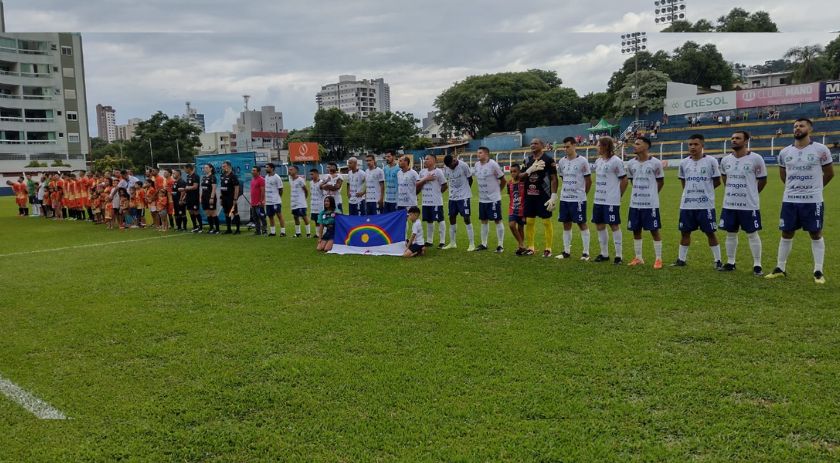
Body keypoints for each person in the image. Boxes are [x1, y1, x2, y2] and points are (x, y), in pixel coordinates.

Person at [767, 118, 835, 283]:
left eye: (801, 126)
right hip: (790, 200)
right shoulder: (785, 152)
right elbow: (784, 175)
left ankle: (818, 271)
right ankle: (780, 268)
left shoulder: (821, 150)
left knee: (815, 233)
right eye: (795, 126)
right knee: (786, 232)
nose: (797, 128)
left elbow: (829, 173)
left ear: (809, 129)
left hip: (813, 200)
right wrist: (794, 189)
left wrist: (816, 189)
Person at [719, 131, 767, 275]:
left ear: (746, 141)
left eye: (738, 138)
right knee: (730, 233)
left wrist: (752, 193)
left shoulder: (756, 158)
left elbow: (763, 180)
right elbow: (724, 178)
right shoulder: (725, 160)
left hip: (748, 205)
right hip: (730, 204)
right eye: (732, 138)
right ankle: (730, 262)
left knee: (752, 234)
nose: (734, 140)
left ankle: (757, 264)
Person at [672, 134, 722, 269]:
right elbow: (684, 182)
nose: (692, 147)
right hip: (687, 204)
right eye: (690, 144)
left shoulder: (711, 161)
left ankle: (718, 261)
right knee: (685, 232)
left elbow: (717, 181)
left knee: (710, 232)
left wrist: (706, 191)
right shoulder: (684, 163)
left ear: (702, 146)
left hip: (705, 205)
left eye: (696, 144)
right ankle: (681, 260)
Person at [626, 137, 665, 269]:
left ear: (646, 146)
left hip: (650, 204)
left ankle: (658, 259)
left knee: (654, 230)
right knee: (636, 230)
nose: (634, 146)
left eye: (638, 144)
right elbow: (632, 180)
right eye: (634, 144)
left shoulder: (655, 163)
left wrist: (652, 194)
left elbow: (660, 182)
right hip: (635, 203)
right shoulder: (631, 164)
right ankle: (638, 257)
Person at [519, 138, 558, 257]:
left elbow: (554, 178)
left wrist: (554, 195)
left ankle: (548, 249)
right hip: (529, 195)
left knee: (546, 221)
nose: (533, 145)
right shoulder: (527, 160)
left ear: (542, 145)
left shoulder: (548, 159)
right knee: (529, 222)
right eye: (531, 143)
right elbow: (520, 177)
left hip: (543, 195)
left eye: (536, 143)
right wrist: (529, 170)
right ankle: (531, 247)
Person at [591, 137, 627, 264]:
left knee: (614, 225)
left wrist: (618, 195)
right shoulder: (598, 161)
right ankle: (604, 254)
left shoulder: (616, 161)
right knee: (599, 225)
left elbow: (624, 180)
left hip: (610, 200)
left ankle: (618, 256)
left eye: (598, 145)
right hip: (598, 200)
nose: (597, 147)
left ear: (605, 146)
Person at [556, 137, 592, 260]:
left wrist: (583, 194)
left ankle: (586, 252)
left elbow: (588, 180)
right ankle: (566, 251)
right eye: (564, 147)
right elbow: (562, 178)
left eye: (568, 146)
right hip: (564, 198)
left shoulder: (582, 161)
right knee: (566, 224)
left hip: (578, 199)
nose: (566, 149)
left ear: (574, 145)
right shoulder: (561, 162)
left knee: (582, 223)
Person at [474, 146, 506, 252]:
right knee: (483, 221)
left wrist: (498, 191)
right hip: (482, 199)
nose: (478, 154)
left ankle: (500, 245)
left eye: (480, 153)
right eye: (477, 153)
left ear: (486, 154)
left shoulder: (493, 164)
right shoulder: (476, 165)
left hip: (493, 199)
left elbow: (503, 180)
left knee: (497, 220)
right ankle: (484, 244)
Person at [442, 154, 475, 251]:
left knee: (466, 218)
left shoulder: (463, 165)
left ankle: (472, 244)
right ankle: (452, 243)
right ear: (449, 166)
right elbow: (447, 180)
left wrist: (465, 191)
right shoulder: (446, 169)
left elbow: (470, 179)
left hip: (464, 196)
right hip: (452, 197)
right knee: (451, 218)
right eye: (453, 161)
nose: (455, 160)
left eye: (454, 159)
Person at [417, 154, 448, 248]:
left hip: (436, 202)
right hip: (426, 201)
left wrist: (438, 193)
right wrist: (425, 180)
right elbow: (418, 185)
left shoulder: (438, 172)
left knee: (440, 220)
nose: (425, 161)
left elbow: (445, 185)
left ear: (434, 161)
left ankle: (442, 241)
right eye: (425, 159)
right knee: (429, 221)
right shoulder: (422, 172)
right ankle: (429, 241)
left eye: (427, 159)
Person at [507, 164, 527, 255]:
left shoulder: (523, 182)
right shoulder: (509, 183)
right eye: (511, 172)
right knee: (511, 225)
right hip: (512, 209)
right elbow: (510, 196)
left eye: (515, 171)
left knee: (520, 228)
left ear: (519, 172)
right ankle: (521, 243)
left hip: (522, 210)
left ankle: (521, 248)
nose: (512, 173)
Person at [264, 163, 286, 237]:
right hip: (268, 201)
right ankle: (273, 232)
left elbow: (281, 189)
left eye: (267, 167)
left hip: (275, 201)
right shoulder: (266, 177)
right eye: (266, 167)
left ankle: (283, 232)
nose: (266, 168)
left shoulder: (277, 177)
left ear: (272, 168)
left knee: (279, 215)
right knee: (270, 216)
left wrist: (278, 197)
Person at [288, 165, 310, 237]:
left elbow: (306, 190)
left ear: (296, 171)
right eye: (289, 170)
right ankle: (298, 233)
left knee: (304, 216)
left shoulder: (300, 179)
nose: (289, 171)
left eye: (291, 170)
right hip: (294, 202)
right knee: (295, 217)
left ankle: (308, 233)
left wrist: (303, 199)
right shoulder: (290, 179)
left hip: (301, 203)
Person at [219, 160, 241, 234]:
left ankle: (238, 230)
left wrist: (235, 198)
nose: (223, 168)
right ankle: (229, 229)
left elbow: (237, 187)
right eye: (222, 166)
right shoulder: (222, 175)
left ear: (228, 166)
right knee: (226, 213)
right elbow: (222, 187)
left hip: (231, 197)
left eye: (224, 166)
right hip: (224, 198)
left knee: (235, 212)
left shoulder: (233, 176)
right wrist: (221, 198)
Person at [200, 163, 220, 235]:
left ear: (211, 168)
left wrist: (211, 197)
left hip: (210, 197)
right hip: (204, 198)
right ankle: (211, 228)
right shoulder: (204, 177)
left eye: (206, 167)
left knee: (213, 213)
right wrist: (201, 197)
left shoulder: (213, 177)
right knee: (208, 213)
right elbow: (202, 189)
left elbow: (214, 188)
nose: (205, 169)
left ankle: (217, 229)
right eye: (204, 168)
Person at [183, 164, 202, 232]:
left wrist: (185, 188)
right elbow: (188, 187)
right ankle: (195, 226)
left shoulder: (196, 176)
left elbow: (195, 186)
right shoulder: (188, 176)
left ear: (189, 168)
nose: (184, 170)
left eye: (185, 168)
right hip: (189, 197)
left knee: (196, 212)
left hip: (194, 197)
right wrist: (185, 195)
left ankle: (201, 227)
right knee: (190, 211)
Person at [250, 166, 266, 236]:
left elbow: (263, 191)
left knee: (262, 217)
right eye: (252, 170)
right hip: (253, 203)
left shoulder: (261, 179)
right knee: (255, 218)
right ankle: (258, 231)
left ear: (258, 172)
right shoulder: (253, 179)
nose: (252, 172)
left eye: (254, 170)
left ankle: (265, 231)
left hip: (259, 203)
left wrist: (261, 201)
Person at [309, 168, 324, 238]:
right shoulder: (311, 183)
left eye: (312, 174)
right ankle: (317, 233)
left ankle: (323, 233)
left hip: (320, 204)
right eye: (310, 174)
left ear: (317, 174)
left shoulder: (321, 182)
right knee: (315, 219)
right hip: (313, 204)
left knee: (321, 219)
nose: (311, 176)